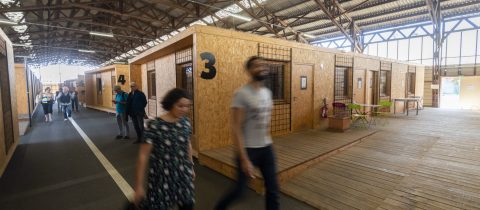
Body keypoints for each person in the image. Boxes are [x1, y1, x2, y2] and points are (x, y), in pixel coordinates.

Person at [215, 56, 279, 210]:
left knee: (273, 189)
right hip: (248, 150)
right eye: (257, 65)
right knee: (239, 191)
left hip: (266, 147)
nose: (262, 67)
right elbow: (236, 127)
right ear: (249, 70)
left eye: (264, 65)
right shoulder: (241, 94)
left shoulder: (267, 93)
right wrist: (244, 158)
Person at [133, 88, 195, 210]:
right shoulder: (155, 125)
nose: (184, 109)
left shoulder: (186, 123)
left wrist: (191, 166)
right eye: (180, 106)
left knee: (187, 205)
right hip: (161, 178)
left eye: (187, 106)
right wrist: (138, 186)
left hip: (183, 175)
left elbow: (187, 144)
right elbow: (143, 156)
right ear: (171, 104)